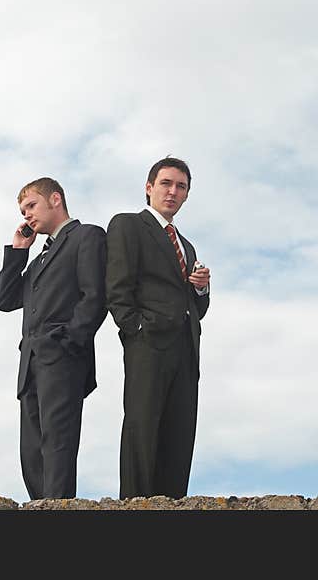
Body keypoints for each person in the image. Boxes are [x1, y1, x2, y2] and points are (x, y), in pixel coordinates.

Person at [106, 157, 211, 499]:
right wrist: (135, 328)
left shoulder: (187, 245)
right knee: (142, 428)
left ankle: (173, 505)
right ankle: (135, 505)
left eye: (181, 187)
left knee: (179, 434)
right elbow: (118, 286)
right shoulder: (127, 225)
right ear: (149, 188)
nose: (173, 191)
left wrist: (200, 288)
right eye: (166, 183)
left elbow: (198, 308)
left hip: (185, 347)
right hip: (147, 343)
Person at [0, 177, 107, 500]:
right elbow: (5, 299)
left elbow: (94, 297)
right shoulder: (39, 259)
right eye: (23, 210)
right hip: (29, 364)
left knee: (57, 445)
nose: (27, 215)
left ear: (55, 199)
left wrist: (69, 342)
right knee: (31, 451)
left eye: (31, 206)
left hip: (62, 358)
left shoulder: (86, 236)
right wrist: (18, 252)